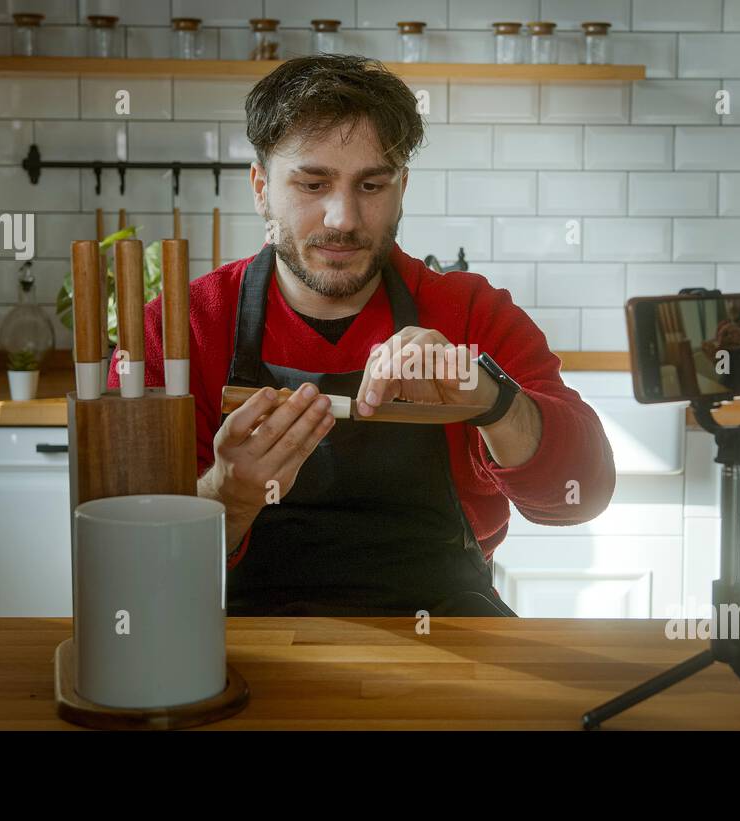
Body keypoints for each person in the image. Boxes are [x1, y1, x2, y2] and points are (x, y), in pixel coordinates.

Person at [107, 55, 616, 617]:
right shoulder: (178, 329)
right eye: (312, 182)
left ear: (402, 189)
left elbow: (580, 498)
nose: (342, 218)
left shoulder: (472, 314)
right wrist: (229, 495)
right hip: (240, 650)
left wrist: (496, 405)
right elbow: (132, 564)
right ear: (260, 188)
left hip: (451, 642)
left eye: (371, 184)